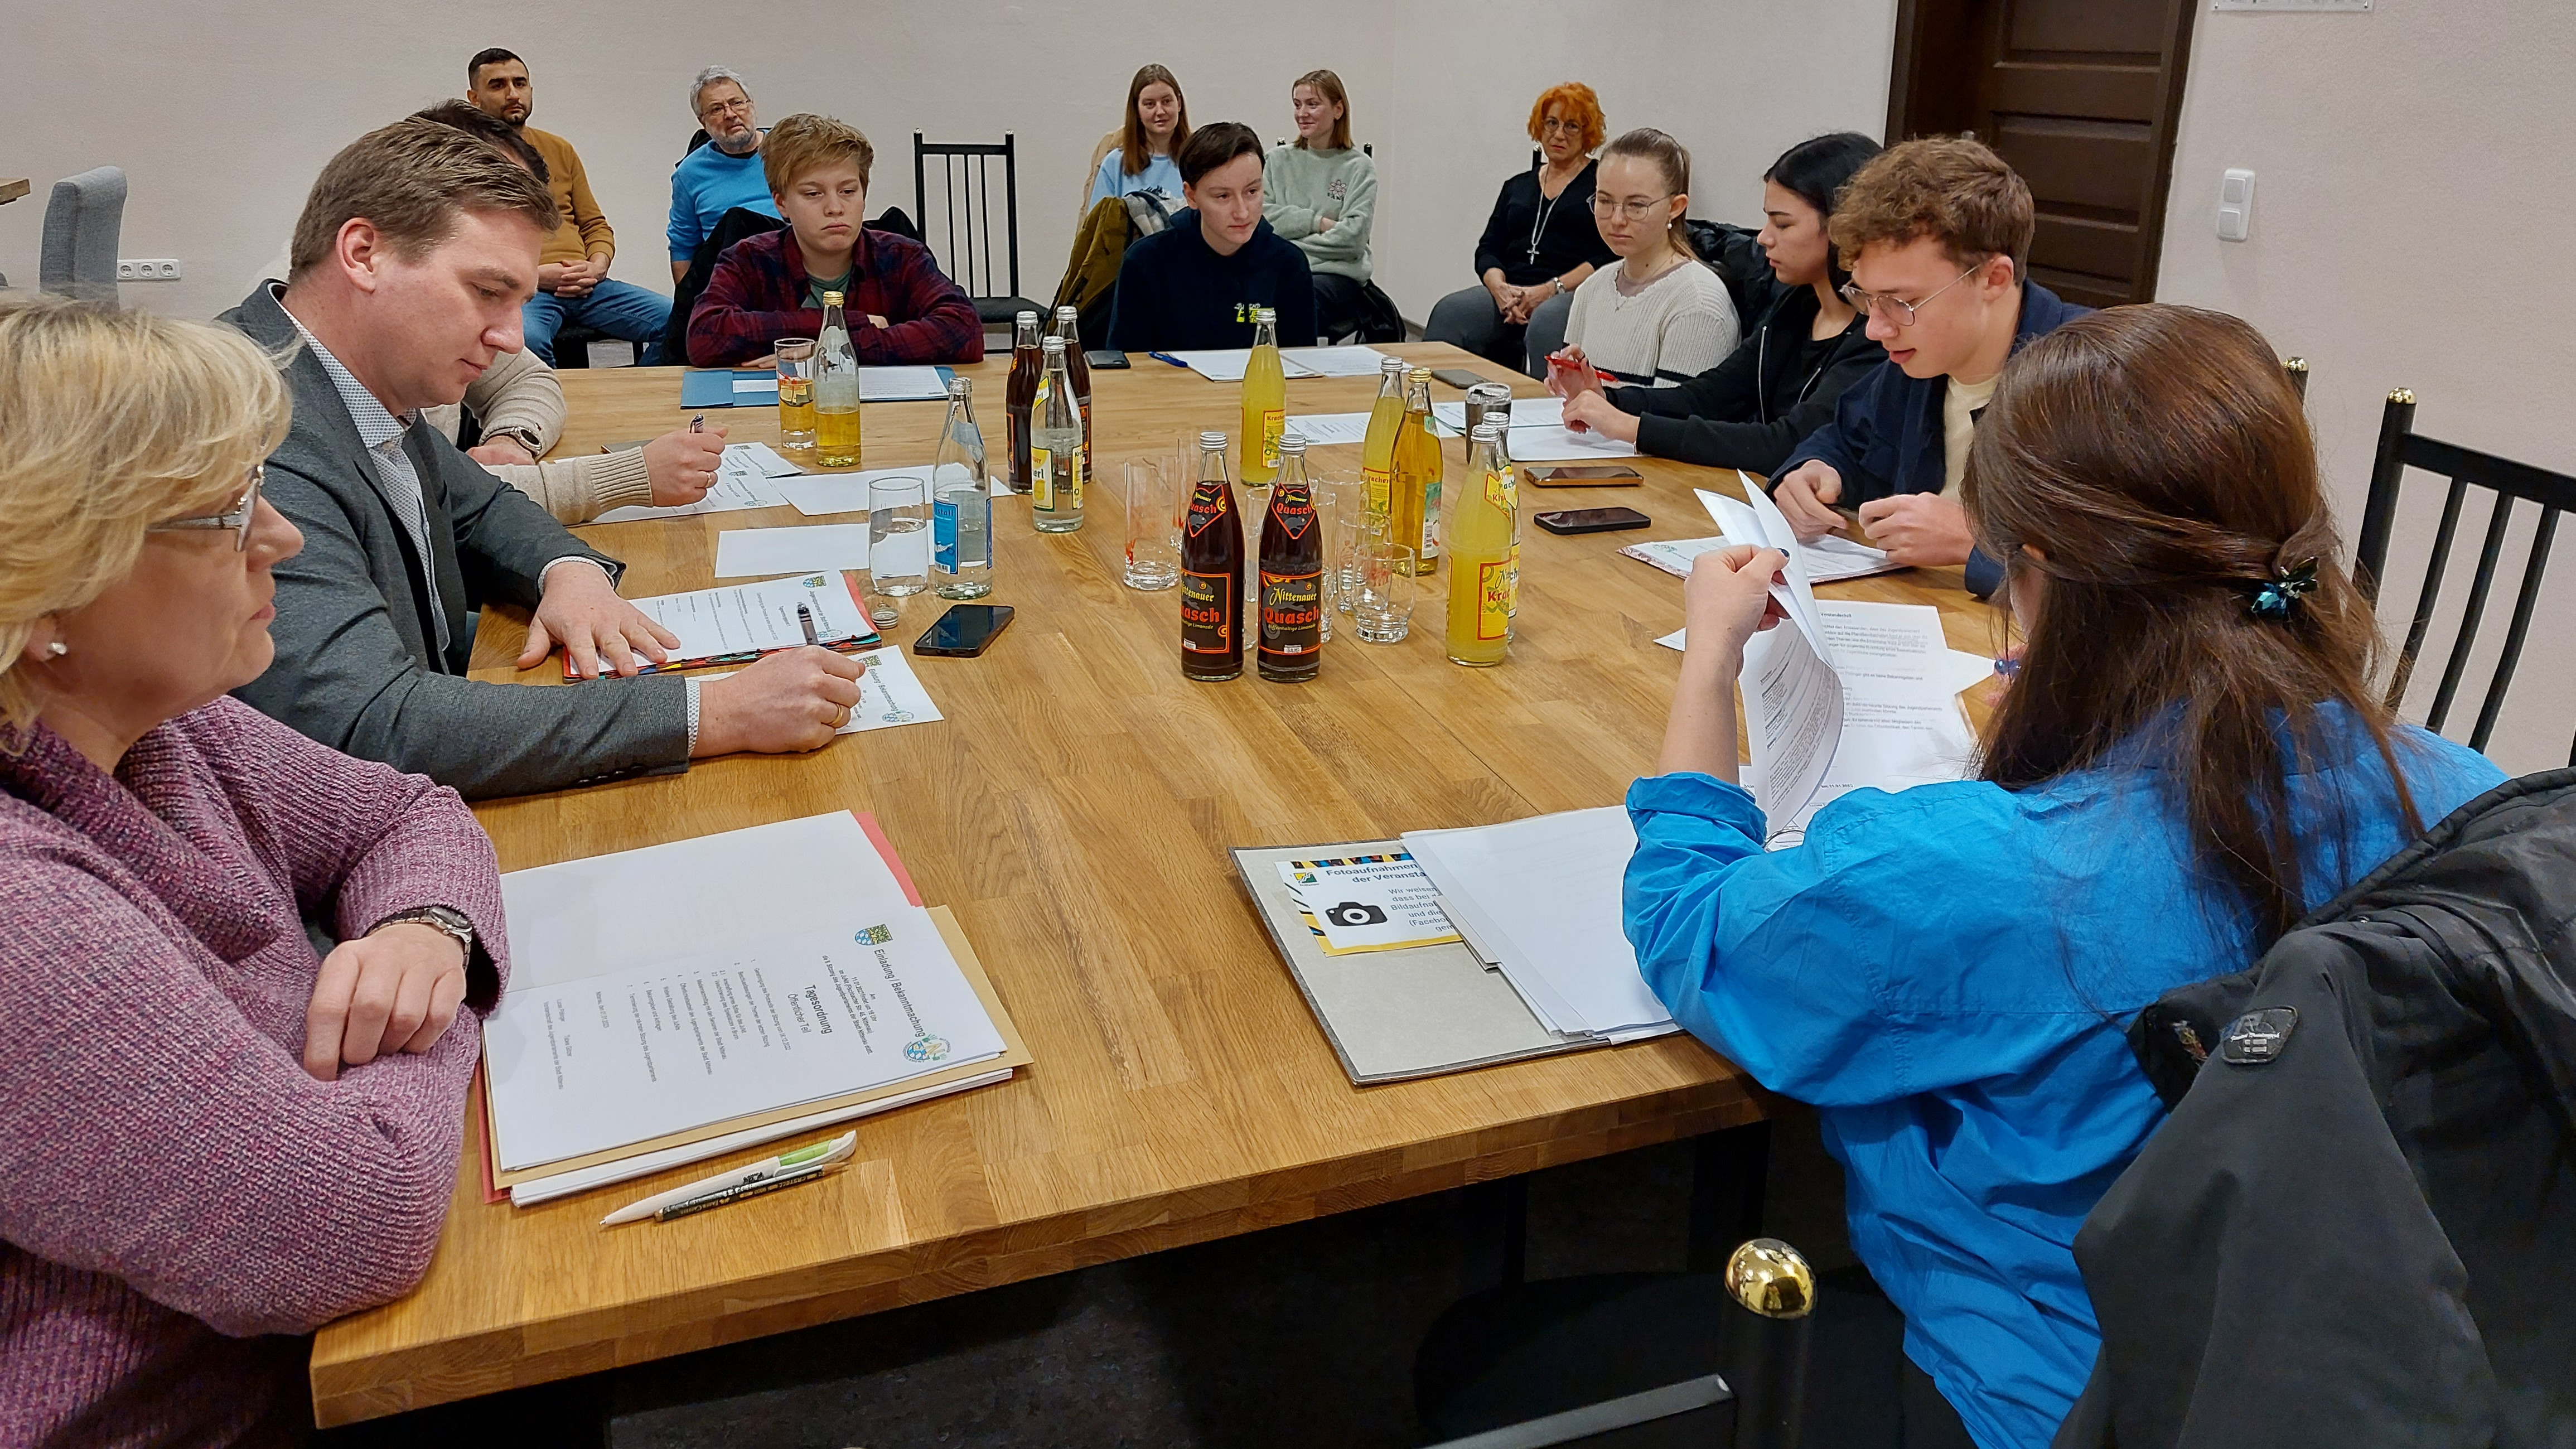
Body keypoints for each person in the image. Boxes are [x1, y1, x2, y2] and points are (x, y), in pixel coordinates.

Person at [1624, 303, 2506, 1448]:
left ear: (2030, 569)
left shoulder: (1972, 870)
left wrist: (1706, 662)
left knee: (1489, 1341)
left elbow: (1687, 923)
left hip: (2045, 1396)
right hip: (2369, 1368)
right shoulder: (2464, 794)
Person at [0, 296, 517, 1445]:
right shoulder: (21, 919)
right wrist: (444, 1011)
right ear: (46, 586)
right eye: (228, 512)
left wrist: (425, 932)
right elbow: (350, 1222)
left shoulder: (158, 725)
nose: (281, 538)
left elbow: (409, 816)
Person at [222, 117, 866, 800]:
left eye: (518, 301)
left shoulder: (352, 378)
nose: (507, 337)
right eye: (487, 292)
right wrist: (714, 713)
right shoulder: (254, 423)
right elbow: (373, 723)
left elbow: (482, 507)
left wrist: (570, 570)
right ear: (363, 253)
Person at [1769, 136, 2083, 596]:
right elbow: (1843, 439)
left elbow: (2139, 580)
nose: (1876, 329)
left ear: (1993, 279)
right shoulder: (1915, 364)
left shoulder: (2093, 385)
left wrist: (1978, 544)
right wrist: (1814, 470)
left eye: (1901, 302)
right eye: (1865, 297)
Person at [1558, 133, 1886, 475]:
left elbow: (1786, 443)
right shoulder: (1798, 307)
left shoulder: (1876, 333)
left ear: (1844, 227)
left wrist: (1632, 428)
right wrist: (1609, 398)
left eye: (1783, 224)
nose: (1763, 238)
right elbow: (1709, 396)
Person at [687, 113, 984, 368]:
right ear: (781, 204)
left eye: (848, 191)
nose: (835, 208)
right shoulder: (748, 258)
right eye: (813, 194)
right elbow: (705, 336)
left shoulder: (902, 255)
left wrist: (834, 349)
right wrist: (849, 323)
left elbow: (965, 330)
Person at [465, 47, 674, 365]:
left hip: (587, 283)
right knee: (528, 343)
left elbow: (595, 225)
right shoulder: (462, 160)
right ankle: (557, 413)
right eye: (498, 85)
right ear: (474, 98)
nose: (512, 94)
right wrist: (532, 276)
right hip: (521, 291)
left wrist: (598, 265)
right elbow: (463, 247)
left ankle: (621, 406)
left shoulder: (559, 148)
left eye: (520, 83)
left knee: (678, 321)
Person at [1423, 82, 1617, 376]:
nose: (1559, 134)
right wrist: (1499, 289)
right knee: (1451, 311)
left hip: (1568, 292)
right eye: (1551, 123)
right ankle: (1430, 405)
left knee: (1547, 320)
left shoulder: (1601, 185)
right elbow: (1489, 248)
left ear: (1587, 133)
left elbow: (1607, 255)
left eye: (1572, 126)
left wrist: (1551, 289)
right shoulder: (1517, 186)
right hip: (1509, 291)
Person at [1548, 128, 1738, 389]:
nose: (1617, 220)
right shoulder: (1593, 288)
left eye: (1636, 206)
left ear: (1675, 208)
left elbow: (1674, 422)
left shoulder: (1698, 304)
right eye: (1605, 201)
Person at [1106, 122, 1319, 352]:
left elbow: (1301, 367)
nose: (1242, 212)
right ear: (1192, 196)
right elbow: (1125, 366)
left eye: (1252, 192)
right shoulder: (1146, 263)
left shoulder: (1288, 264)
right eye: (1223, 196)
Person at [1263, 69, 1376, 337]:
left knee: (1295, 300)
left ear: (1338, 110)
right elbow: (1262, 221)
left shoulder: (1359, 168)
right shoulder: (1276, 161)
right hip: (1281, 270)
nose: (1302, 113)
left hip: (1335, 277)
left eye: (1312, 105)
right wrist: (1319, 223)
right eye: (1297, 105)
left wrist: (1291, 244)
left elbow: (1353, 239)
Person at [669, 65, 780, 285]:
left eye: (737, 103)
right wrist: (691, 308)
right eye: (717, 109)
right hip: (730, 282)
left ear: (752, 106)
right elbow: (683, 246)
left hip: (793, 270)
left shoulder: (789, 150)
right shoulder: (689, 173)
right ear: (703, 122)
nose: (730, 114)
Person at [1088, 64, 1191, 208]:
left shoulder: (1201, 159)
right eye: (1150, 104)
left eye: (1167, 101)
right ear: (1137, 110)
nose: (1160, 111)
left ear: (1179, 103)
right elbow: (1099, 226)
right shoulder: (1115, 165)